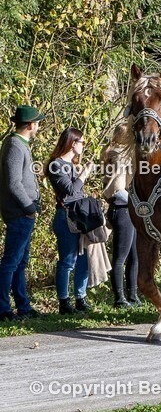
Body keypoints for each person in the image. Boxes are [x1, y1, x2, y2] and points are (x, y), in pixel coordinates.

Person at [0, 105, 44, 322]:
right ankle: (3, 309)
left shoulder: (21, 144)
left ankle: (23, 306)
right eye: (37, 123)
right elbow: (13, 183)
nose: (38, 126)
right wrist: (28, 207)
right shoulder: (15, 145)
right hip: (19, 213)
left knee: (20, 262)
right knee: (11, 261)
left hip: (24, 212)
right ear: (30, 125)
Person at [46, 128, 94, 314]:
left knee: (83, 259)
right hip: (65, 217)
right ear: (73, 143)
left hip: (79, 217)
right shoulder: (56, 165)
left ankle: (80, 298)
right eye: (82, 142)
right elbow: (70, 191)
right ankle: (64, 302)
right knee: (67, 261)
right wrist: (85, 174)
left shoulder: (71, 165)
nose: (84, 145)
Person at [102, 128, 140, 307]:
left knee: (133, 256)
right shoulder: (118, 155)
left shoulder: (113, 153)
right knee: (121, 257)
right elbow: (117, 189)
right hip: (123, 208)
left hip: (124, 208)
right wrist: (137, 203)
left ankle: (133, 296)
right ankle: (120, 298)